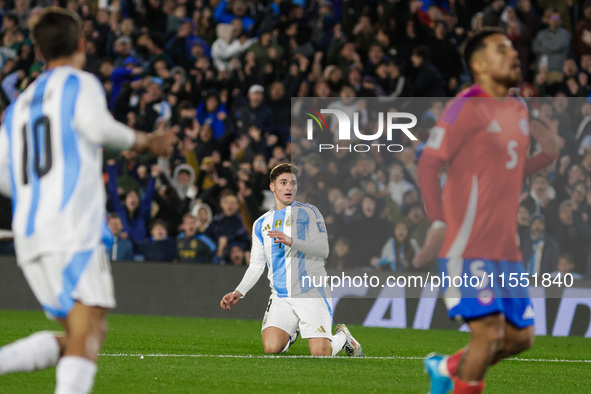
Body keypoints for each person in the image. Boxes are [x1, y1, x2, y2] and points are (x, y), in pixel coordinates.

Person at [0, 8, 175, 394]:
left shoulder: (18, 107)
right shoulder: (79, 84)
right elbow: (99, 128)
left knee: (86, 332)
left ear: (39, 51)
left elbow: (3, 175)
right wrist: (148, 142)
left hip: (29, 234)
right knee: (87, 327)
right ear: (81, 43)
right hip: (69, 228)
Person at [414, 28, 559, 394]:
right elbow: (429, 165)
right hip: (469, 244)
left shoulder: (517, 109)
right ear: (478, 64)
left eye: (513, 47)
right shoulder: (465, 106)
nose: (513, 55)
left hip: (507, 250)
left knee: (521, 338)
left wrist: (548, 155)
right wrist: (437, 221)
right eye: (501, 49)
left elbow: (509, 169)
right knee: (488, 333)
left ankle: (445, 368)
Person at [220, 163, 363, 357]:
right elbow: (256, 265)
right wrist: (239, 291)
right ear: (272, 187)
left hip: (310, 292)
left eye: (293, 183)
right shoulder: (261, 223)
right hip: (281, 296)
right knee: (271, 348)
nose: (289, 187)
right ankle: (291, 331)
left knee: (320, 353)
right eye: (283, 182)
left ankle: (343, 338)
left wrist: (291, 241)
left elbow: (323, 250)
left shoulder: (309, 213)